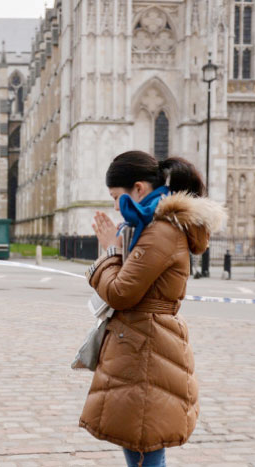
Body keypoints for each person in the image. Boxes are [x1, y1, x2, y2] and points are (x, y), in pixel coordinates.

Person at [79, 151, 226, 467]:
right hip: (141, 344)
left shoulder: (160, 230)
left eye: (117, 197)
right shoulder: (150, 227)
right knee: (139, 445)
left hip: (146, 350)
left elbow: (120, 292)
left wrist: (107, 254)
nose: (115, 207)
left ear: (139, 189)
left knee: (143, 447)